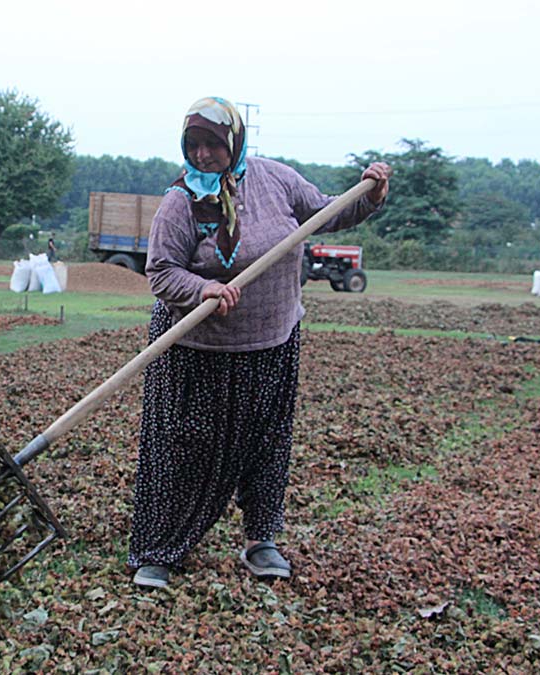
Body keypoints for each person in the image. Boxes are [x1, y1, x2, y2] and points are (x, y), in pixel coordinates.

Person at [129, 97, 391, 589]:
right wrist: (202, 288)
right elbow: (161, 272)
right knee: (184, 448)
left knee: (267, 445)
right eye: (193, 144)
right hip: (196, 350)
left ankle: (260, 539)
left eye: (213, 144)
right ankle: (158, 548)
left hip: (272, 342)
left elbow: (327, 214)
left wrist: (370, 195)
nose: (203, 154)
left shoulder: (276, 180)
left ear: (235, 142)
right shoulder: (181, 201)